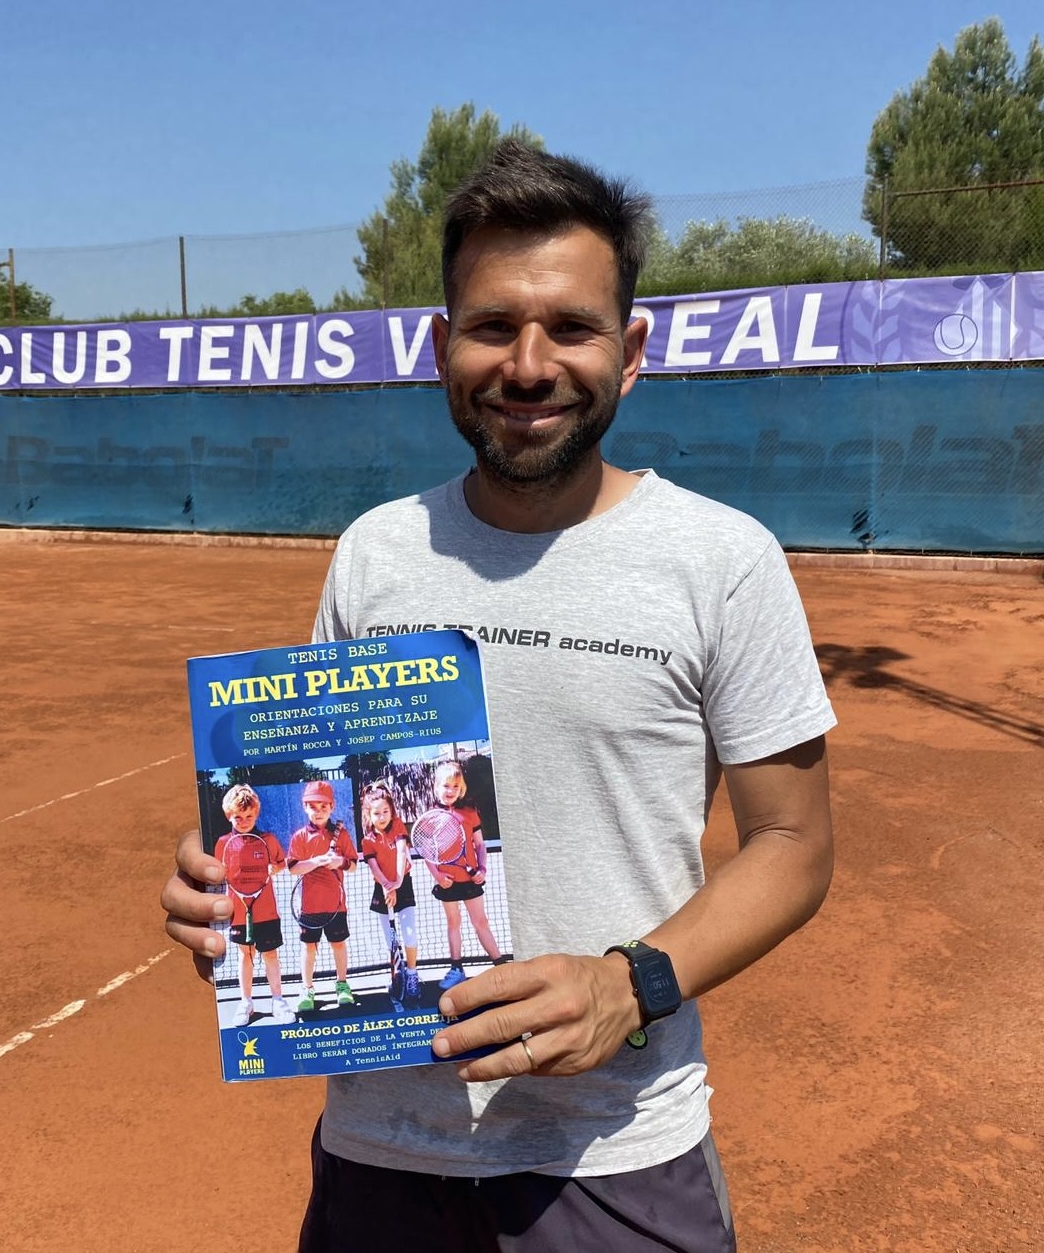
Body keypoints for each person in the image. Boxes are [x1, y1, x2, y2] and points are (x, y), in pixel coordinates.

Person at [163, 139, 836, 1253]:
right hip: (382, 1153)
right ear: (442, 349)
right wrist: (227, 906)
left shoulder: (723, 560)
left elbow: (794, 845)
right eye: (491, 326)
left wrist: (629, 986)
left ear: (631, 351)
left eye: (570, 327)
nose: (528, 365)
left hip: (614, 1153)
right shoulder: (375, 552)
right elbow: (317, 779)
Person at [420, 759, 508, 990]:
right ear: (436, 787)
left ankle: (502, 967)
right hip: (447, 882)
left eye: (455, 786)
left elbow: (479, 845)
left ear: (462, 789)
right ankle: (457, 969)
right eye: (446, 785)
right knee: (453, 923)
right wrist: (438, 876)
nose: (450, 791)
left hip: (470, 879)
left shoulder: (470, 813)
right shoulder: (431, 816)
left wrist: (482, 869)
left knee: (481, 922)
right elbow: (427, 852)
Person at [213, 783, 295, 1027]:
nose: (244, 821)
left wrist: (275, 868)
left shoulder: (268, 840)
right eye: (238, 817)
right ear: (229, 815)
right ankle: (246, 1003)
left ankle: (278, 1001)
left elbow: (282, 863)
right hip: (239, 911)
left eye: (249, 816)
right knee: (245, 954)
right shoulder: (223, 843)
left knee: (270, 954)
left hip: (266, 910)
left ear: (256, 814)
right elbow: (218, 873)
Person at [287, 780, 359, 1011]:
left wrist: (339, 861)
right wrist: (316, 861)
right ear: (304, 807)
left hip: (336, 906)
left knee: (338, 945)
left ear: (332, 807)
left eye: (323, 807)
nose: (318, 812)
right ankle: (307, 988)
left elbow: (353, 865)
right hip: (310, 907)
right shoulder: (299, 836)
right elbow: (293, 868)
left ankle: (342, 984)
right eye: (313, 807)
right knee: (309, 948)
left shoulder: (342, 834)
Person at [359, 780, 421, 1005]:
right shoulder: (367, 840)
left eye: (385, 811)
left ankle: (412, 974)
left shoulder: (397, 827)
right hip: (382, 888)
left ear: (391, 811)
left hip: (403, 884)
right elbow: (374, 867)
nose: (382, 816)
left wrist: (397, 882)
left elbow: (401, 853)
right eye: (376, 813)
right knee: (391, 940)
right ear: (369, 815)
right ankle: (396, 974)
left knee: (410, 934)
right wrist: (387, 885)